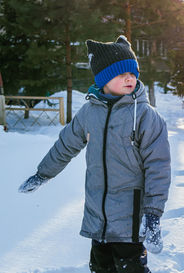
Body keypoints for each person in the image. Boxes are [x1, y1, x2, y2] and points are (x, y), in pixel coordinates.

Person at [18, 35, 171, 273]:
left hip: (129, 219)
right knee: (100, 268)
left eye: (132, 73)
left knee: (131, 269)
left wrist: (152, 214)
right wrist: (42, 174)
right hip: (97, 217)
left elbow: (158, 166)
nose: (129, 78)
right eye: (121, 74)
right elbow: (65, 145)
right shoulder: (89, 113)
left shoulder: (146, 117)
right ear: (103, 79)